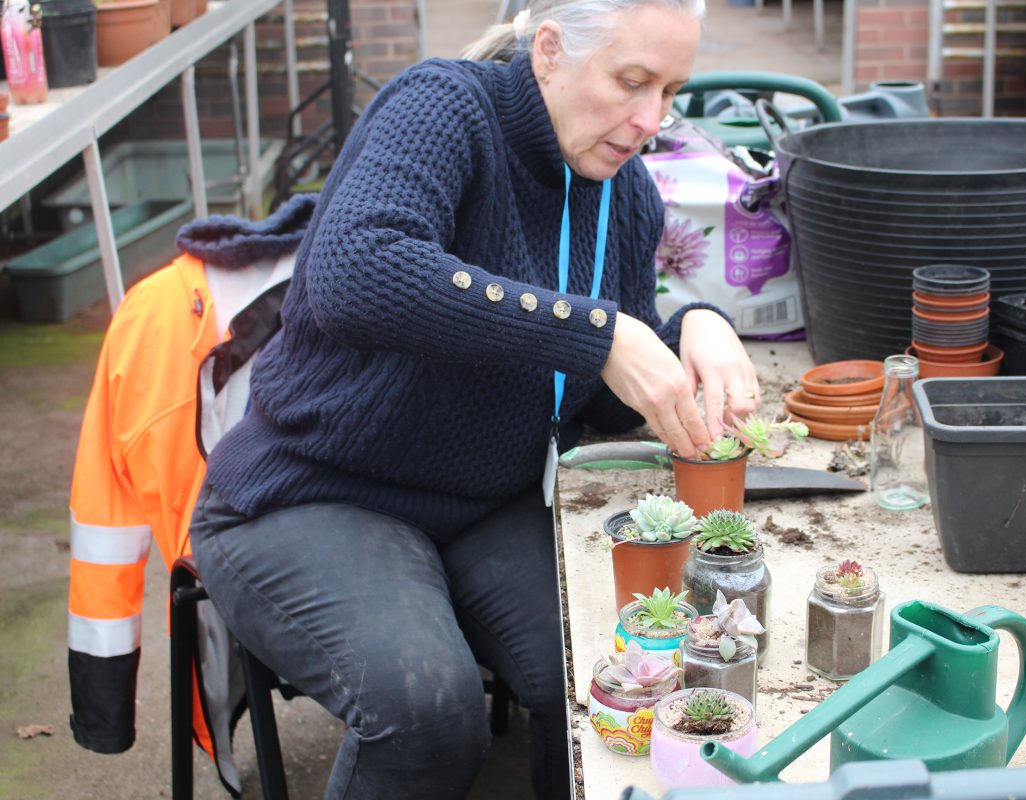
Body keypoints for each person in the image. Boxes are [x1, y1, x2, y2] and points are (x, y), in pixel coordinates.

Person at [189, 1, 760, 797]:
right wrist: (598, 332)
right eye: (632, 82)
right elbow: (359, 273)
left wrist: (691, 327)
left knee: (617, 667)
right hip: (310, 494)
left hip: (483, 501)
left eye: (670, 92)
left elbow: (594, 395)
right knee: (428, 711)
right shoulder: (447, 107)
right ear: (552, 53)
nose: (649, 120)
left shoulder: (625, 194)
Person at [66, 196, 315, 792]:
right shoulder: (153, 324)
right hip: (238, 568)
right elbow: (105, 519)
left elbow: (105, 512)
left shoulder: (150, 316)